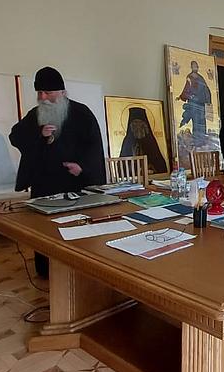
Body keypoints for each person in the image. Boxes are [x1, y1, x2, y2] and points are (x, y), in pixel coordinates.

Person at [9, 67, 105, 277]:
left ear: (61, 92)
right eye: (40, 93)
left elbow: (94, 146)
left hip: (74, 184)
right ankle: (45, 271)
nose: (43, 98)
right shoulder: (35, 115)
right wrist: (39, 133)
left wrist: (82, 167)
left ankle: (78, 272)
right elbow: (15, 136)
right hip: (43, 185)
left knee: (74, 231)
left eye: (48, 93)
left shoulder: (81, 113)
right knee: (44, 231)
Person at [119, 107, 167, 174]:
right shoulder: (128, 142)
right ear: (131, 126)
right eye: (135, 124)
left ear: (145, 126)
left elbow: (160, 166)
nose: (138, 127)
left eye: (140, 124)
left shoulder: (151, 142)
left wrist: (150, 169)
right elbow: (122, 168)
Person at [179, 60, 212, 143]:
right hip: (194, 103)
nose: (195, 68)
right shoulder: (190, 77)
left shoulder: (201, 78)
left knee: (202, 121)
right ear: (191, 67)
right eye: (194, 66)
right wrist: (184, 96)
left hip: (202, 103)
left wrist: (208, 100)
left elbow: (206, 89)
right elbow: (186, 88)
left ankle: (203, 140)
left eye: (196, 66)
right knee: (196, 121)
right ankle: (197, 141)